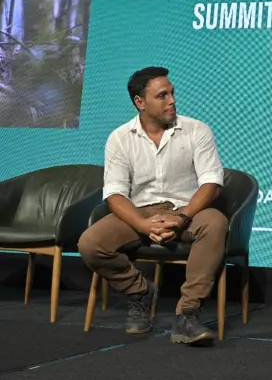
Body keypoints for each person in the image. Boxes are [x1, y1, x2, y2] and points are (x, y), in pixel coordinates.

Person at [78, 66, 227, 346]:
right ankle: (140, 291)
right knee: (90, 242)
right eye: (162, 95)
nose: (172, 100)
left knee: (216, 222)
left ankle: (187, 314)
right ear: (140, 102)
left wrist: (182, 217)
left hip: (187, 210)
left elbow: (211, 183)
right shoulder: (120, 138)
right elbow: (115, 195)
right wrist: (143, 224)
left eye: (172, 93)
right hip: (141, 211)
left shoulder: (197, 130)